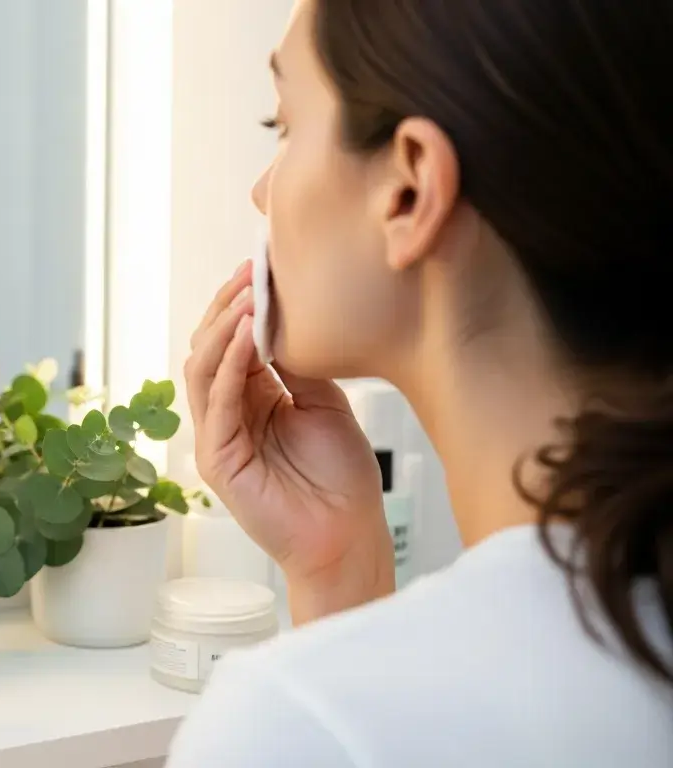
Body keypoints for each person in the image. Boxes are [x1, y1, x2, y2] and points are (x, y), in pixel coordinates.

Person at [169, 0, 673, 765]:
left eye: (285, 125)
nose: (261, 192)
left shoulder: (281, 726)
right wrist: (340, 570)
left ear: (409, 190)